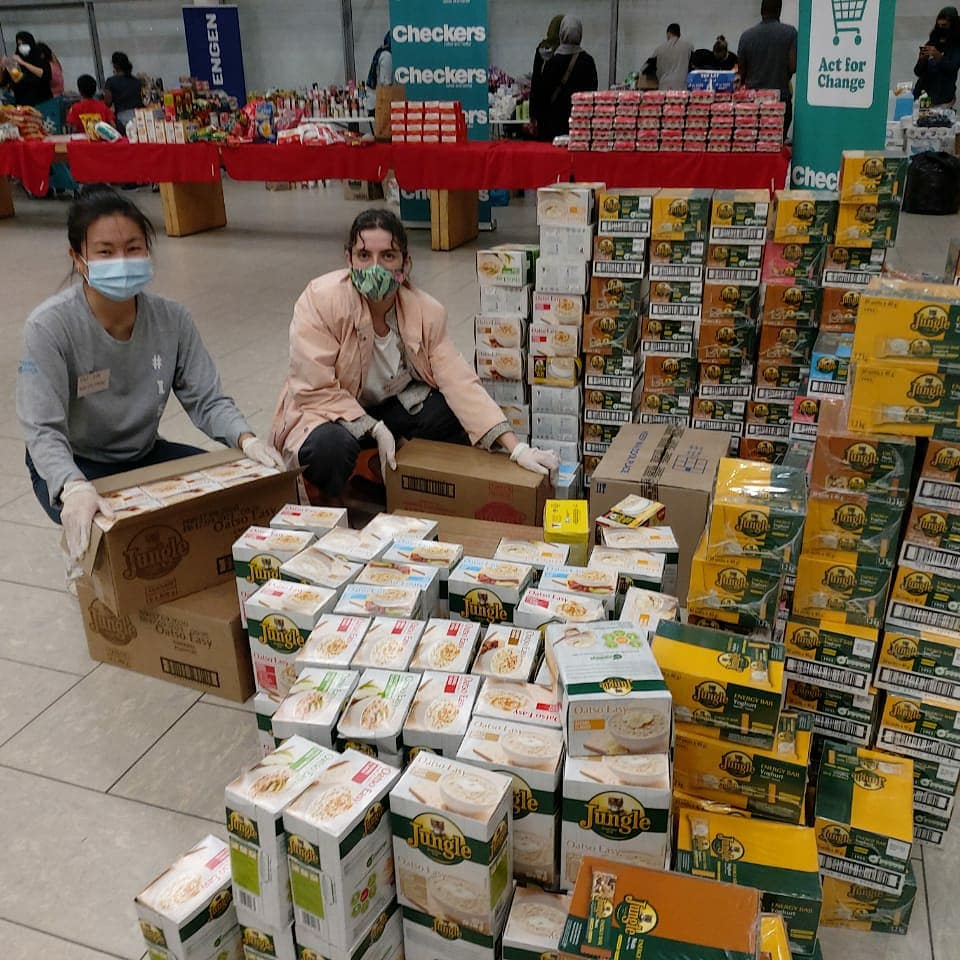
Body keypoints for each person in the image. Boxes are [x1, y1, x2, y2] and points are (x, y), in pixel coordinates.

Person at [16, 187, 282, 573]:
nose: (121, 261)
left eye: (133, 248)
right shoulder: (50, 327)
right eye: (105, 252)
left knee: (235, 493)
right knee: (114, 536)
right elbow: (41, 428)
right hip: (77, 464)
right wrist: (70, 485)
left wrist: (247, 439)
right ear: (78, 258)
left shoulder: (172, 320)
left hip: (143, 454)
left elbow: (206, 400)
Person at [270, 208, 560, 499]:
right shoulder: (321, 301)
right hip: (329, 411)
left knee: (450, 414)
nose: (375, 267)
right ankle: (338, 502)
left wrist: (516, 447)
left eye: (387, 256)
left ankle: (405, 484)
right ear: (349, 260)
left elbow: (459, 381)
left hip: (389, 405)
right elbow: (314, 388)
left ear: (405, 265)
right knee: (330, 449)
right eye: (364, 256)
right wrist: (373, 429)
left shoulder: (424, 311)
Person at [530, 15, 598, 142]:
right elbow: (592, 92)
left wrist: (536, 118)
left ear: (562, 33)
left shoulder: (552, 62)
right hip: (578, 126)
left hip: (552, 127)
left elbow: (542, 94)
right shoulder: (588, 61)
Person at [737, 0, 798, 130]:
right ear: (779, 11)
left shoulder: (746, 36)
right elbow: (793, 67)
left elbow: (741, 71)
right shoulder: (790, 33)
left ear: (761, 11)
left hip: (753, 104)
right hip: (780, 102)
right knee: (777, 146)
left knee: (754, 146)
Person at [914, 7, 960, 107]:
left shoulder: (957, 45)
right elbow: (918, 72)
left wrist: (939, 57)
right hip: (923, 94)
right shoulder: (932, 41)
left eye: (944, 25)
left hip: (943, 98)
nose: (941, 28)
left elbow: (952, 68)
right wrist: (922, 60)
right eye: (939, 25)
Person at [528, 14, 564, 134]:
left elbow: (535, 80)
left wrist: (532, 115)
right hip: (559, 110)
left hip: (541, 110)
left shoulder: (541, 49)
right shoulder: (564, 51)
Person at [0, 31, 53, 106]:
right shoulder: (15, 61)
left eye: (24, 43)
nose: (21, 47)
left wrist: (23, 63)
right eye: (19, 44)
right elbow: (5, 82)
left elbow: (45, 75)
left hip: (42, 103)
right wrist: (3, 67)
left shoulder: (39, 59)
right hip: (22, 105)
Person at [103, 51, 143, 131]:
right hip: (140, 116)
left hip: (123, 118)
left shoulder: (111, 81)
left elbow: (107, 103)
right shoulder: (136, 81)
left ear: (115, 65)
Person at [653, 24, 694, 91]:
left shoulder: (659, 48)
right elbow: (692, 66)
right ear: (679, 34)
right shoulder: (689, 46)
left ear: (668, 33)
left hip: (664, 85)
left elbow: (646, 67)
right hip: (682, 85)